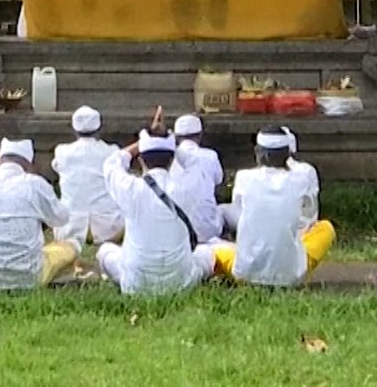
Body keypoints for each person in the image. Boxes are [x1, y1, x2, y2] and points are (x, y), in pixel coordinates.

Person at [94, 116, 216, 296]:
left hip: (136, 284)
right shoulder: (187, 187)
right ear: (173, 158)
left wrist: (143, 142)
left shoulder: (130, 189)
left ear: (141, 159)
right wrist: (168, 140)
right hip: (181, 282)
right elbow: (196, 163)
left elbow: (111, 163)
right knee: (208, 252)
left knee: (104, 252)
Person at [212, 128, 334, 287]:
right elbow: (309, 215)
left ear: (258, 152)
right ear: (287, 154)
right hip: (290, 277)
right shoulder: (301, 180)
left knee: (212, 250)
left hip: (245, 274)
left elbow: (239, 210)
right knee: (325, 228)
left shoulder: (244, 178)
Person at [0, 138, 78, 291]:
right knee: (71, 245)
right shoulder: (36, 184)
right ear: (29, 164)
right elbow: (61, 218)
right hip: (31, 275)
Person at [52, 106, 122, 244]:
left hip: (69, 228)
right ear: (100, 129)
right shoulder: (112, 152)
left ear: (74, 129)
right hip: (109, 228)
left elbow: (56, 166)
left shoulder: (62, 152)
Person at [167, 114, 226, 243]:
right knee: (223, 210)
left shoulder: (168, 158)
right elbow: (218, 181)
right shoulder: (210, 155)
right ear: (200, 136)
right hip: (208, 232)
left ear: (176, 137)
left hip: (174, 231)